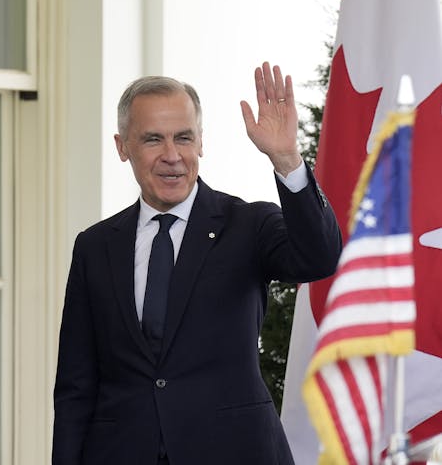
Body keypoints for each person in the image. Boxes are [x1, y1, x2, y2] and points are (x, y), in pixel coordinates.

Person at [52, 62, 342, 464]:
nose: (172, 156)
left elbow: (319, 256)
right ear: (123, 147)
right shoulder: (95, 246)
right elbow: (75, 387)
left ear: (201, 142)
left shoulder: (248, 225)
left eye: (184, 138)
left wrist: (287, 160)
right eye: (153, 139)